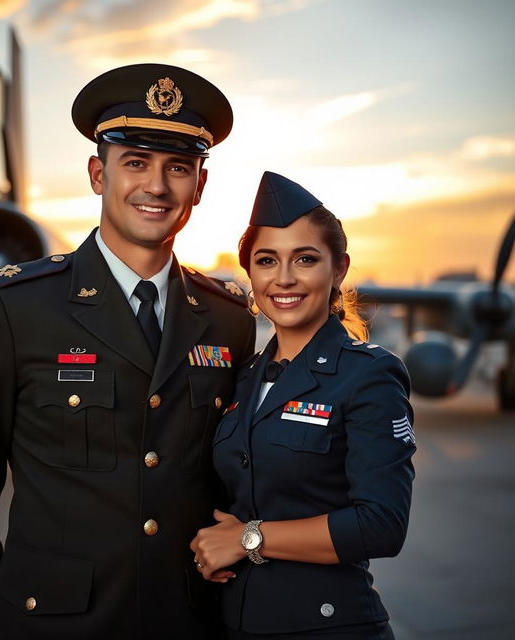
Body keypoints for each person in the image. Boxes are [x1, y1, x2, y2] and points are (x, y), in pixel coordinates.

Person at [0, 64, 256, 639]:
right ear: (98, 174)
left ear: (200, 186)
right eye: (135, 163)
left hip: (190, 624)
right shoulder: (13, 308)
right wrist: (11, 614)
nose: (156, 186)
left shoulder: (226, 318)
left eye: (178, 167)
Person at [190, 171, 416, 639]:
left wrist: (248, 538)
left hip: (329, 626)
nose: (284, 278)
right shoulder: (245, 377)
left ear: (339, 269)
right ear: (250, 272)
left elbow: (382, 524)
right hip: (237, 622)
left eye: (306, 259)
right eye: (267, 260)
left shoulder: (368, 375)